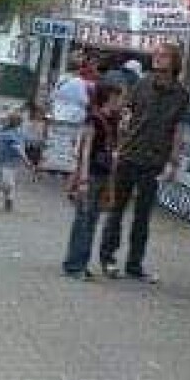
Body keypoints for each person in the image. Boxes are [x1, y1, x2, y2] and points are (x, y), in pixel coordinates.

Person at [98, 44, 188, 282]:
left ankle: (134, 265)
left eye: (163, 55)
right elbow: (125, 112)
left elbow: (178, 128)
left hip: (154, 160)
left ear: (174, 62)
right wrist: (118, 141)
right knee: (116, 210)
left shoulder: (181, 94)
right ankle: (108, 259)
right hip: (129, 154)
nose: (157, 58)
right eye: (156, 55)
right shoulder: (142, 84)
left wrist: (173, 161)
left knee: (143, 216)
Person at [62, 82, 123, 278]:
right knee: (83, 220)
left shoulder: (114, 120)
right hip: (91, 175)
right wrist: (83, 179)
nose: (120, 101)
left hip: (103, 174)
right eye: (117, 97)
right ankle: (74, 265)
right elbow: (86, 150)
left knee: (92, 221)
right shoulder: (93, 119)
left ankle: (82, 263)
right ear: (109, 97)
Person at [0, 108, 29, 211]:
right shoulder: (17, 135)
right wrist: (26, 160)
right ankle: (9, 199)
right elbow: (18, 149)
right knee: (9, 186)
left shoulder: (0, 134)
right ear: (19, 124)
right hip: (9, 166)